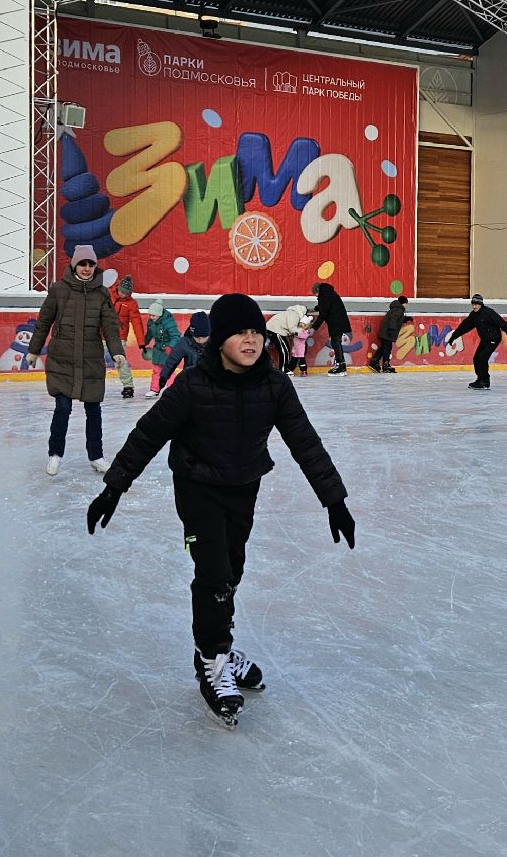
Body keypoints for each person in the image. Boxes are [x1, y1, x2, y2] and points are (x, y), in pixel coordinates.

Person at [85, 292, 355, 727]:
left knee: (231, 571)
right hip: (197, 488)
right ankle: (213, 663)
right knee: (212, 574)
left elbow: (306, 443)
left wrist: (334, 500)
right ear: (220, 340)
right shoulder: (193, 384)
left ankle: (217, 647)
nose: (250, 341)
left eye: (255, 332)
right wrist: (113, 488)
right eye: (239, 333)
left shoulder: (274, 385)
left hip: (242, 487)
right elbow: (148, 434)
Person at [28, 245, 127, 476]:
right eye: (83, 264)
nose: (87, 268)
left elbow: (110, 326)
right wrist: (34, 350)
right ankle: (55, 454)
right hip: (62, 359)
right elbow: (43, 322)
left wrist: (117, 351)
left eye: (91, 264)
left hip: (90, 360)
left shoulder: (102, 293)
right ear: (74, 265)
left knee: (93, 409)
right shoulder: (58, 290)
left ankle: (96, 456)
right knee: (63, 407)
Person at [447, 294, 507, 390]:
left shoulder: (489, 313)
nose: (474, 307)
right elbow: (464, 327)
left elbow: (503, 324)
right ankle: (480, 379)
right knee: (476, 358)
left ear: (481, 304)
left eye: (476, 304)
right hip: (485, 339)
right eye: (473, 304)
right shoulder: (474, 315)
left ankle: (485, 381)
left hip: (494, 339)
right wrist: (453, 337)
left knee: (482, 357)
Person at [156, 310, 209, 390]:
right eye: (197, 337)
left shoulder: (217, 342)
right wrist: (164, 377)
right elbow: (172, 360)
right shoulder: (184, 342)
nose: (201, 340)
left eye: (204, 337)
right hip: (191, 382)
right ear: (192, 333)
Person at [110, 276, 143, 399]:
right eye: (121, 292)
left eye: (126, 293)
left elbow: (137, 323)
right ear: (118, 288)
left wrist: (141, 342)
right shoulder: (107, 295)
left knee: (121, 362)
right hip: (102, 335)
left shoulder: (131, 304)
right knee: (92, 359)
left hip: (120, 337)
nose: (123, 295)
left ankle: (128, 386)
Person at [313, 283, 353, 374]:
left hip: (336, 323)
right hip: (340, 322)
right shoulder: (331, 293)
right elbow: (327, 306)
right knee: (337, 343)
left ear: (318, 291)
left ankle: (340, 365)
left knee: (336, 343)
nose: (315, 295)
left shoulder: (324, 296)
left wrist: (314, 328)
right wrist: (318, 307)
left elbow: (323, 314)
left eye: (315, 293)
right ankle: (341, 365)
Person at [142, 300, 180, 396]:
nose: (151, 317)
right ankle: (155, 389)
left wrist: (170, 346)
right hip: (158, 349)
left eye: (153, 316)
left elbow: (176, 336)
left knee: (168, 370)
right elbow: (149, 334)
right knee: (156, 370)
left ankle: (173, 389)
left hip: (168, 349)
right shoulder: (151, 322)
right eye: (150, 315)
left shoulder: (168, 322)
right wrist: (143, 343)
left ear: (159, 314)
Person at [369, 296, 412, 373]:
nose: (407, 305)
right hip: (388, 332)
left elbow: (396, 319)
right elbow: (393, 319)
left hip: (385, 332)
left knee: (384, 348)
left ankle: (374, 362)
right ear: (404, 303)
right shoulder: (399, 310)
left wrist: (406, 319)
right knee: (387, 349)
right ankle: (386, 365)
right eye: (406, 303)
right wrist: (391, 329)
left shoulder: (396, 309)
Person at [264, 303, 308, 371]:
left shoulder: (289, 313)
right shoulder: (294, 315)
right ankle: (284, 370)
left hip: (273, 330)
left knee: (284, 350)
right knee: (284, 351)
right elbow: (292, 328)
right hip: (276, 330)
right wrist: (300, 332)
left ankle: (284, 369)